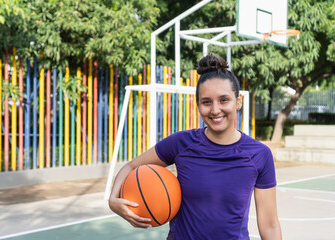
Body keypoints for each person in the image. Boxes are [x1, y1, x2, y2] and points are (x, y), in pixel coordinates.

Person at [109, 54, 282, 240]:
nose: (215, 110)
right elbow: (131, 166)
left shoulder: (259, 155)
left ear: (238, 101)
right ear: (198, 105)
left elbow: (270, 226)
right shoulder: (181, 144)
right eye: (206, 102)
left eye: (224, 100)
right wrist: (112, 200)